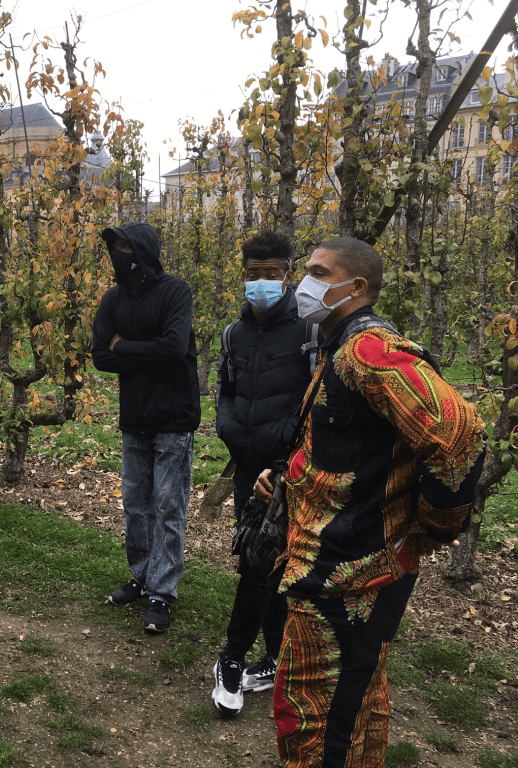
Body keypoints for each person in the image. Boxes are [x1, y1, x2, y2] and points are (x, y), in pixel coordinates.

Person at [254, 237, 485, 767]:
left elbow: (458, 432)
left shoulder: (369, 351)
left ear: (356, 287)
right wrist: (289, 477)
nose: (303, 283)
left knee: (316, 717)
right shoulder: (337, 346)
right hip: (329, 562)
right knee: (353, 703)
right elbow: (352, 445)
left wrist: (432, 526)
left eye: (318, 273)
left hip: (350, 570)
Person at [211, 231, 318, 716]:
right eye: (253, 274)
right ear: (243, 275)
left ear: (287, 275)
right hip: (247, 465)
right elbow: (227, 389)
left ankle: (232, 658)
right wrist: (229, 428)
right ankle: (273, 657)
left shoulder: (309, 333)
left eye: (271, 274)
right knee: (259, 561)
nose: (261, 283)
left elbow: (313, 402)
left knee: (268, 564)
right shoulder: (233, 334)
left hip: (289, 469)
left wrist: (283, 458)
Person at [92, 222, 200, 634]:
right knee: (136, 505)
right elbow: (100, 356)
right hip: (134, 417)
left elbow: (174, 348)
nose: (118, 253)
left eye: (125, 245)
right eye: (115, 246)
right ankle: (141, 575)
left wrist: (123, 346)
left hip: (173, 416)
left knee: (169, 507)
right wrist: (141, 353)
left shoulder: (175, 291)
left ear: (143, 250)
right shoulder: (113, 298)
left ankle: (163, 591)